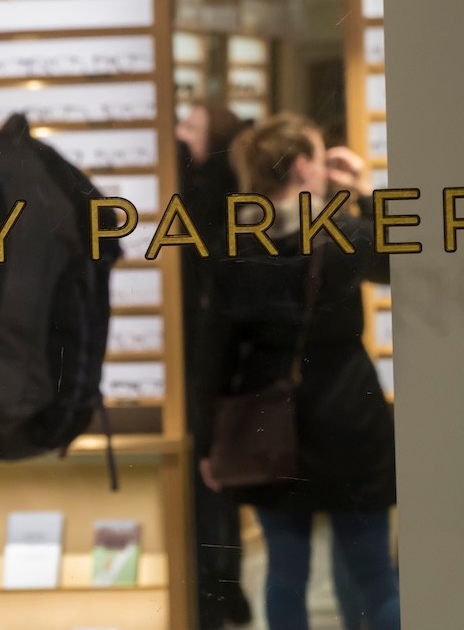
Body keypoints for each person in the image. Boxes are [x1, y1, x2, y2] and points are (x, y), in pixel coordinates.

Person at [194, 113, 400, 630]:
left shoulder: (237, 244)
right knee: (374, 574)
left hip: (269, 425)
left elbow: (213, 355)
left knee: (284, 576)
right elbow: (402, 261)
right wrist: (365, 188)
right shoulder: (343, 234)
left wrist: (207, 444)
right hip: (350, 415)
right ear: (307, 167)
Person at [175, 101, 253, 628]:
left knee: (209, 474)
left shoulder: (202, 192)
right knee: (219, 478)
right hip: (225, 356)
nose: (179, 134)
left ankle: (214, 589)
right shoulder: (228, 191)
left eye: (189, 126)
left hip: (205, 354)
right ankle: (225, 584)